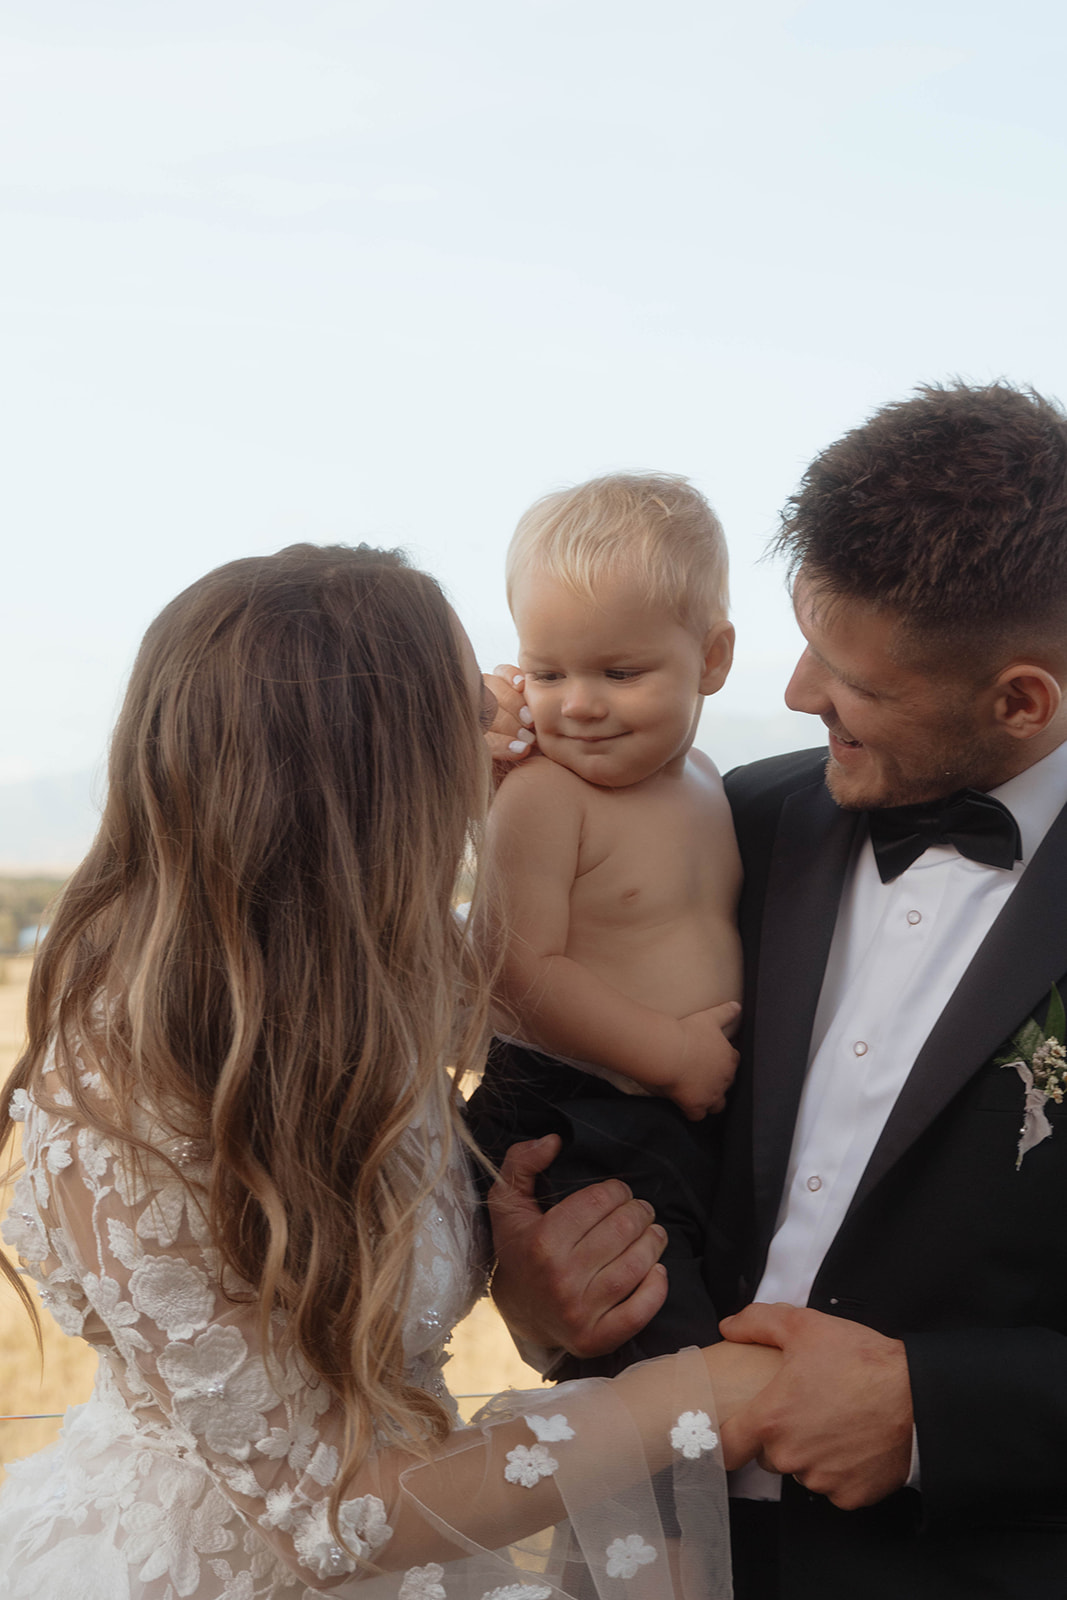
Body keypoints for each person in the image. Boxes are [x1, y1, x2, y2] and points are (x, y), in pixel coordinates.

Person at [0, 542, 779, 1600]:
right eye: (474, 709)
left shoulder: (374, 984)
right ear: (371, 776)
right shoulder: (129, 1087)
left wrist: (518, 1279)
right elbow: (335, 1512)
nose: (516, 723)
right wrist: (709, 1391)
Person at [484, 382, 1067, 1599]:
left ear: (1020, 699)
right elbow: (558, 1062)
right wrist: (543, 1295)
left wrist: (933, 1413)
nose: (798, 693)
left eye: (851, 677)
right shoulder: (738, 815)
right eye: (803, 637)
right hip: (658, 1545)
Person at [467, 475, 741, 1374]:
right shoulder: (545, 795)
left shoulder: (703, 776)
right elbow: (513, 968)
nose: (577, 704)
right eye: (547, 673)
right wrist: (670, 1054)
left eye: (618, 673)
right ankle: (654, 1521)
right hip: (575, 1111)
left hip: (670, 1112)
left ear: (711, 659)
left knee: (708, 1327)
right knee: (655, 1364)